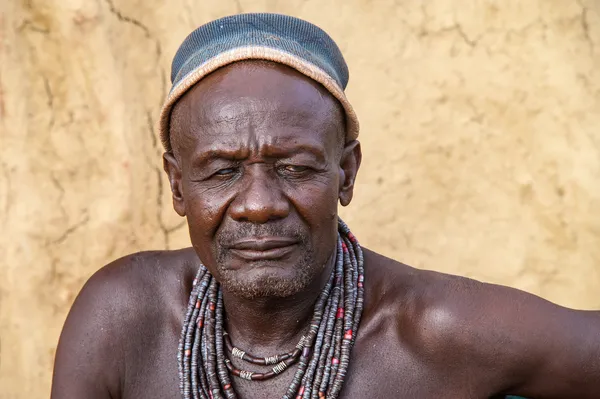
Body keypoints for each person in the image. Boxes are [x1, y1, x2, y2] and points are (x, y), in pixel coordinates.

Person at [51, 13, 600, 399]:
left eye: (295, 168)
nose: (260, 206)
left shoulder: (434, 333)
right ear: (176, 186)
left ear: (347, 172)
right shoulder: (123, 320)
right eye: (223, 171)